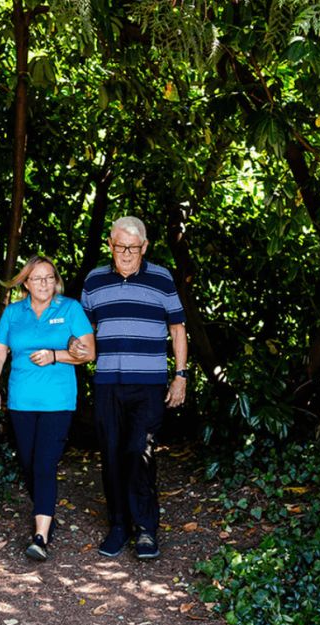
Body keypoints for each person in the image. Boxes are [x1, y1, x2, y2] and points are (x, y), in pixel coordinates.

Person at [73, 216, 188, 560]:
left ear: (145, 247)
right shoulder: (94, 280)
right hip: (108, 383)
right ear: (110, 244)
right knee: (111, 454)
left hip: (149, 384)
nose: (125, 254)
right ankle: (119, 525)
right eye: (120, 246)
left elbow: (178, 329)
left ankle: (146, 529)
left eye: (133, 248)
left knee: (140, 451)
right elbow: (84, 331)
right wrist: (74, 345)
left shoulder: (161, 278)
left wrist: (180, 376)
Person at [0, 256, 96, 561]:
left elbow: (89, 353)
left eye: (49, 277)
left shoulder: (70, 309)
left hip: (57, 401)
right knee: (29, 464)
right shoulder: (13, 312)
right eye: (37, 278)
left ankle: (40, 536)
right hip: (21, 401)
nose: (44, 284)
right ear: (26, 283)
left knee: (45, 465)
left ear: (56, 281)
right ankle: (45, 512)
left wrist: (55, 355)